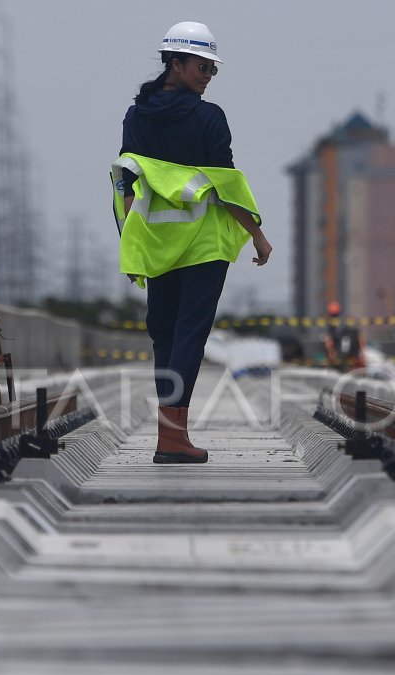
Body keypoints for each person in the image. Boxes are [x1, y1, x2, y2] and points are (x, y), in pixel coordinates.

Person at [112, 21, 272, 465]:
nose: (207, 75)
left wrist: (132, 244)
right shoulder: (208, 117)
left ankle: (170, 433)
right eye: (202, 66)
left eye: (212, 69)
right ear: (175, 63)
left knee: (163, 333)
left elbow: (128, 185)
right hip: (203, 245)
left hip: (159, 242)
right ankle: (173, 435)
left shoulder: (136, 116)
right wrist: (257, 234)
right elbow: (227, 185)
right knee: (188, 333)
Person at [322, 301, 366, 370]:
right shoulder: (333, 328)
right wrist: (332, 354)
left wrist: (362, 354)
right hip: (342, 357)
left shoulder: (344, 328)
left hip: (346, 356)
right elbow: (329, 341)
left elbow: (360, 340)